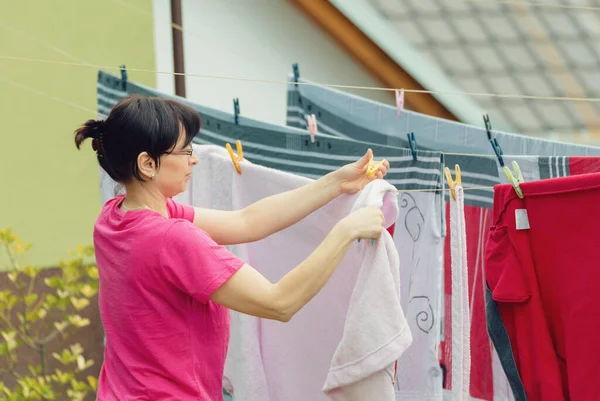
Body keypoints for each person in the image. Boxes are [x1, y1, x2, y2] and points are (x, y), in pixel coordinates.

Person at [74, 94, 390, 401]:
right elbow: (279, 303)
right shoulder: (173, 238)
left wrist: (336, 183)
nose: (194, 159)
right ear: (147, 164)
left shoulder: (114, 218)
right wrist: (345, 231)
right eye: (185, 151)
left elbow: (246, 222)